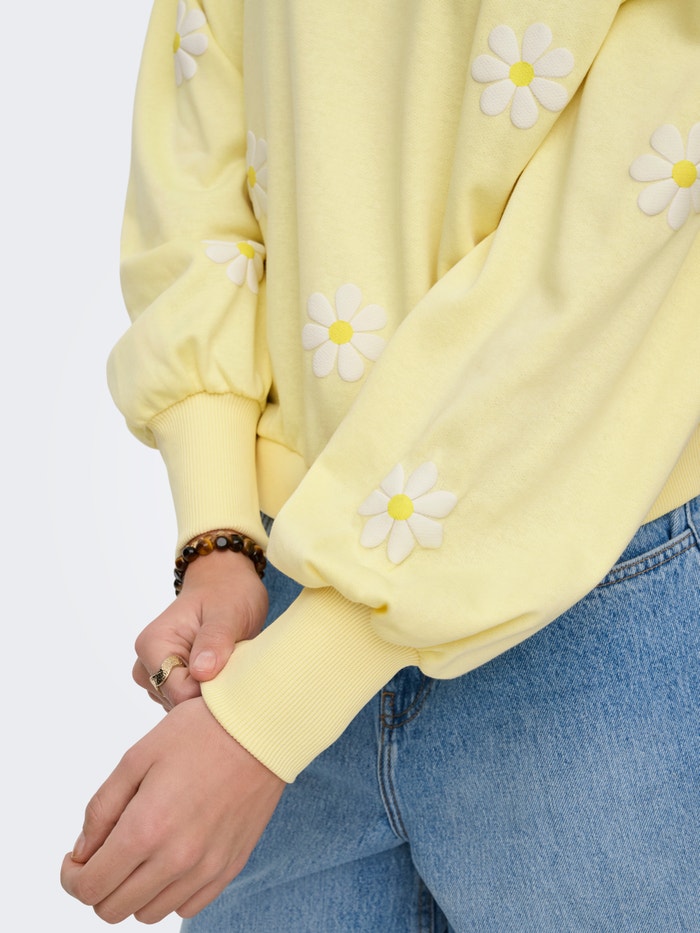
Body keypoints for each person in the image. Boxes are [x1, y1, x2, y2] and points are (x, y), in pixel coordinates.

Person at [61, 0, 700, 928]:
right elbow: (203, 92)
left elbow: (633, 215)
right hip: (273, 597)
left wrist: (274, 712)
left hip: (588, 602)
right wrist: (219, 536)